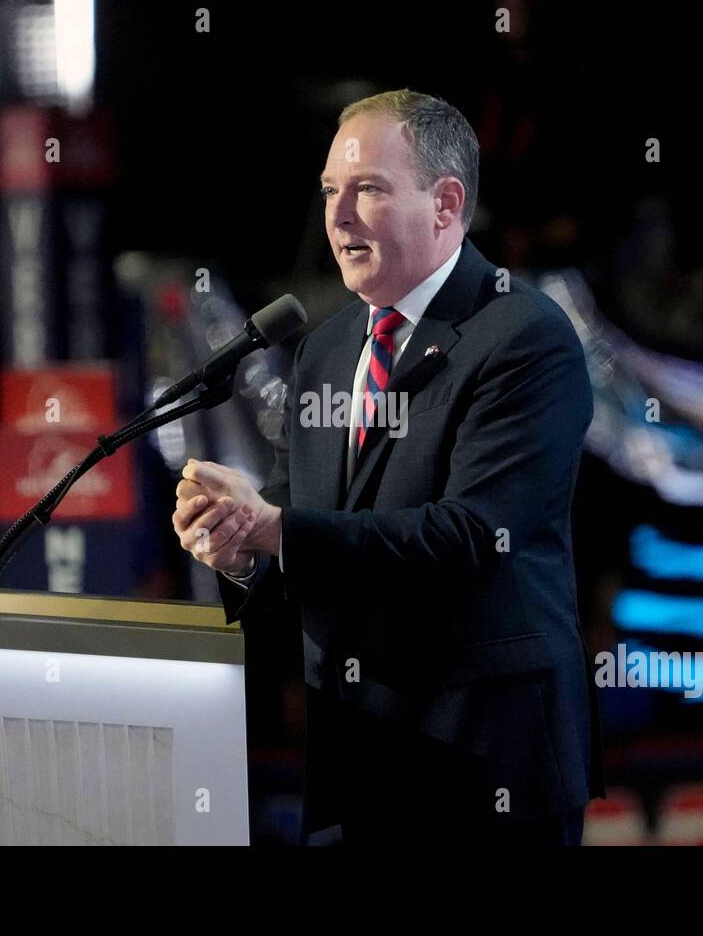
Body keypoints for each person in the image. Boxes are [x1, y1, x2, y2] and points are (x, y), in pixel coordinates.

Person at [171, 89, 603, 844]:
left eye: (367, 190)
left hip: (485, 773)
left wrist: (277, 531)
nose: (338, 218)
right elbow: (299, 518)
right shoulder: (328, 350)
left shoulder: (522, 337)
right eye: (331, 192)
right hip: (354, 768)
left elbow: (472, 539)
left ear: (445, 204)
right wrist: (236, 543)